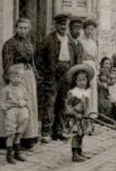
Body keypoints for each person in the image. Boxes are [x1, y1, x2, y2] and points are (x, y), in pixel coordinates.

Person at [36, 13, 83, 141]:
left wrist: (74, 74)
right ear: (56, 25)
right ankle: (46, 132)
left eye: (65, 25)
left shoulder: (70, 41)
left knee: (62, 103)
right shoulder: (48, 40)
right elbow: (39, 58)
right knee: (50, 103)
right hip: (52, 75)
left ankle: (59, 131)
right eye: (61, 25)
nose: (63, 27)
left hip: (66, 75)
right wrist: (45, 72)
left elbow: (76, 58)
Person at [0, 18, 39, 146]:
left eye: (25, 28)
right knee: (15, 103)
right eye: (20, 28)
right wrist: (10, 78)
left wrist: (35, 73)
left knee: (26, 104)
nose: (23, 30)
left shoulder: (29, 43)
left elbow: (32, 61)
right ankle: (8, 138)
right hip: (16, 75)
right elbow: (7, 63)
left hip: (28, 75)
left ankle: (27, 136)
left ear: (29, 29)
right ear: (16, 28)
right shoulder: (9, 44)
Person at [0, 66, 30, 164]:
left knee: (19, 132)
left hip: (22, 110)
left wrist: (25, 105)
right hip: (12, 110)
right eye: (14, 76)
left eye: (19, 77)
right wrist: (6, 109)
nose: (17, 79)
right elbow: (1, 102)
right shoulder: (6, 90)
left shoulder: (23, 89)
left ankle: (17, 152)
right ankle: (9, 154)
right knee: (11, 132)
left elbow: (27, 99)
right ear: (9, 77)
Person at [64, 63, 94, 162]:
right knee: (76, 135)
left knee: (82, 134)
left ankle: (80, 151)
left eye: (84, 80)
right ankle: (74, 153)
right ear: (75, 81)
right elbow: (68, 106)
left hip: (83, 117)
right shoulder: (73, 93)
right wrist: (74, 113)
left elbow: (87, 105)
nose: (82, 82)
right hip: (75, 117)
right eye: (79, 80)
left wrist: (87, 113)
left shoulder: (86, 92)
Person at [78, 19, 100, 115]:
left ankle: (92, 112)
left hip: (92, 66)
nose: (90, 31)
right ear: (84, 29)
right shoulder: (80, 41)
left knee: (92, 88)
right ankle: (82, 111)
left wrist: (97, 67)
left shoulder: (94, 42)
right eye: (88, 29)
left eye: (92, 29)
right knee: (83, 87)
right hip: (83, 65)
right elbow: (80, 54)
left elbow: (95, 57)